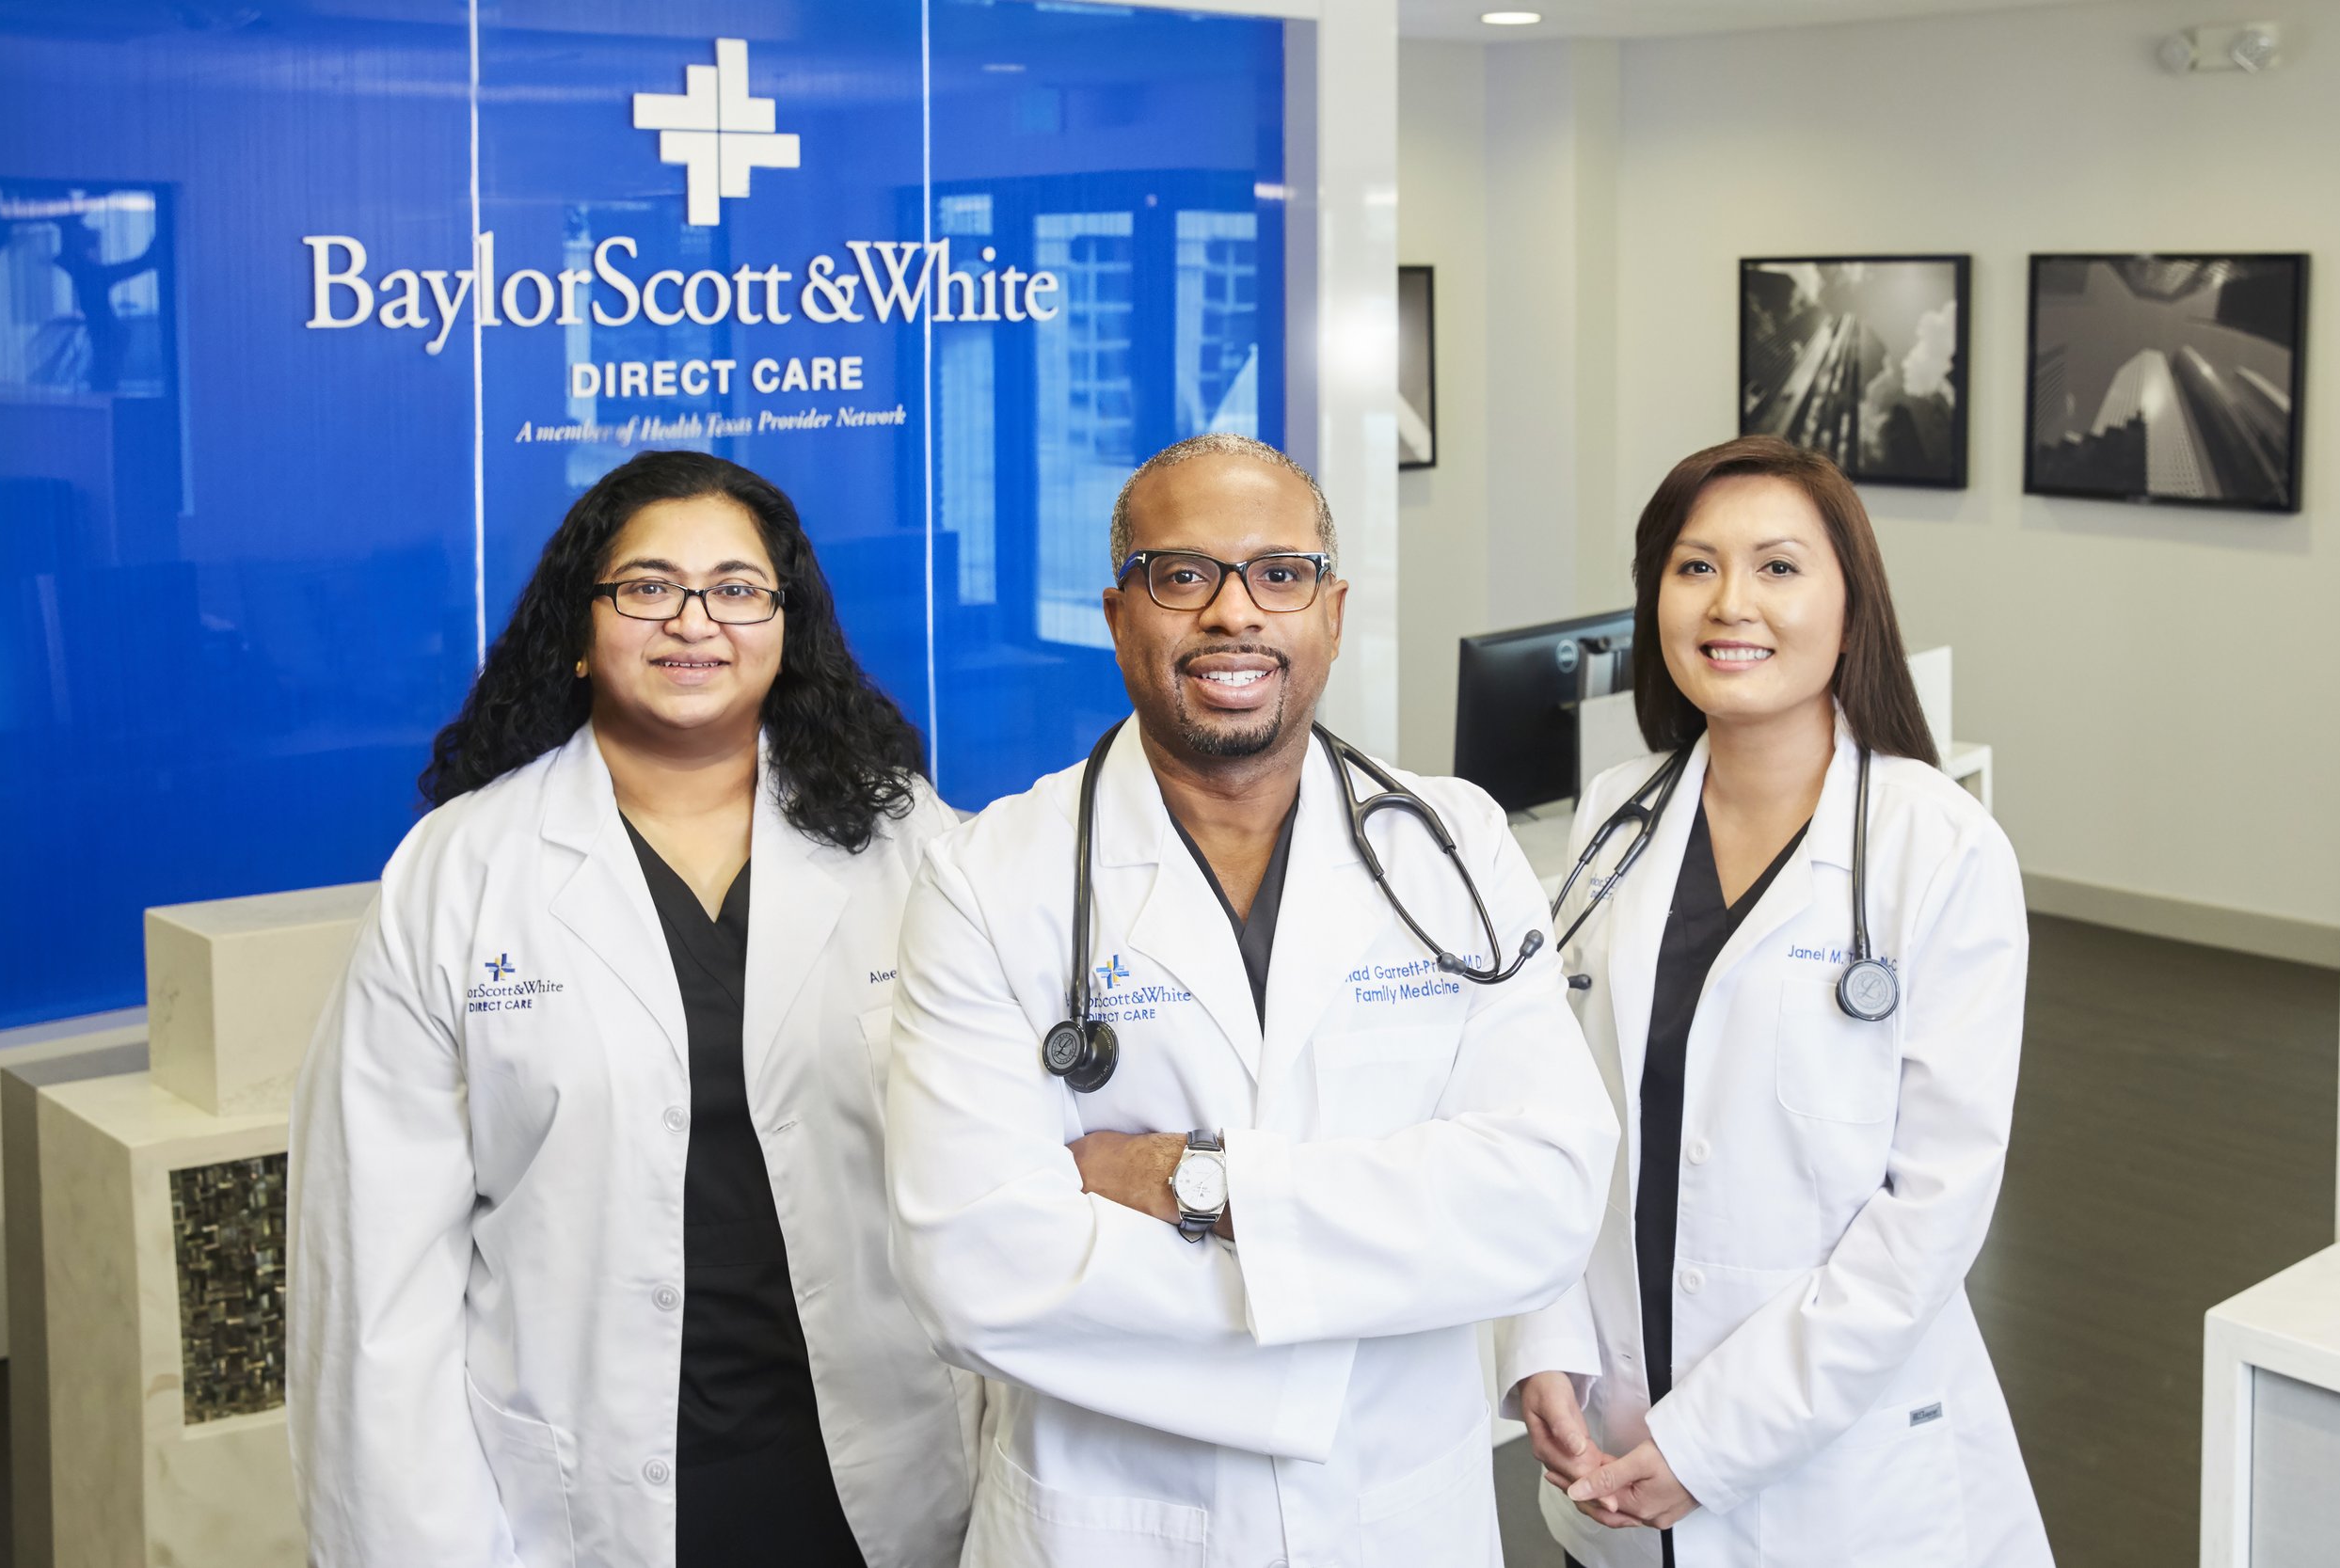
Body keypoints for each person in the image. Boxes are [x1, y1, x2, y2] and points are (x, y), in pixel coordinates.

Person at [882, 431, 1619, 1568]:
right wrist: (1375, 1288)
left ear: (1330, 610)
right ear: (1119, 613)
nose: (1235, 613)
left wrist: (1192, 1179)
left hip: (1397, 1514)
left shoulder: (1452, 843)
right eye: (1183, 575)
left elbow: (1546, 1197)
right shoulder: (988, 878)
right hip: (1108, 1523)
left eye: (1279, 573)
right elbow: (973, 1271)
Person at [288, 451, 979, 1568]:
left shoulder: (912, 842)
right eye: (648, 586)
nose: (693, 621)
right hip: (587, 1484)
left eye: (737, 589)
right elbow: (373, 1272)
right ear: (582, 622)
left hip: (879, 1468)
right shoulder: (460, 869)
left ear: (786, 624)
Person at [1498, 436, 2051, 1567]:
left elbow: (1929, 1213)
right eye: (1693, 566)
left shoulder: (1935, 848)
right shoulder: (1614, 817)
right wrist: (1537, 1339)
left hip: (1838, 1489)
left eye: (1778, 567)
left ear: (1852, 608)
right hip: (1608, 1456)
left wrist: (1714, 1438)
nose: (1728, 602)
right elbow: (1547, 1117)